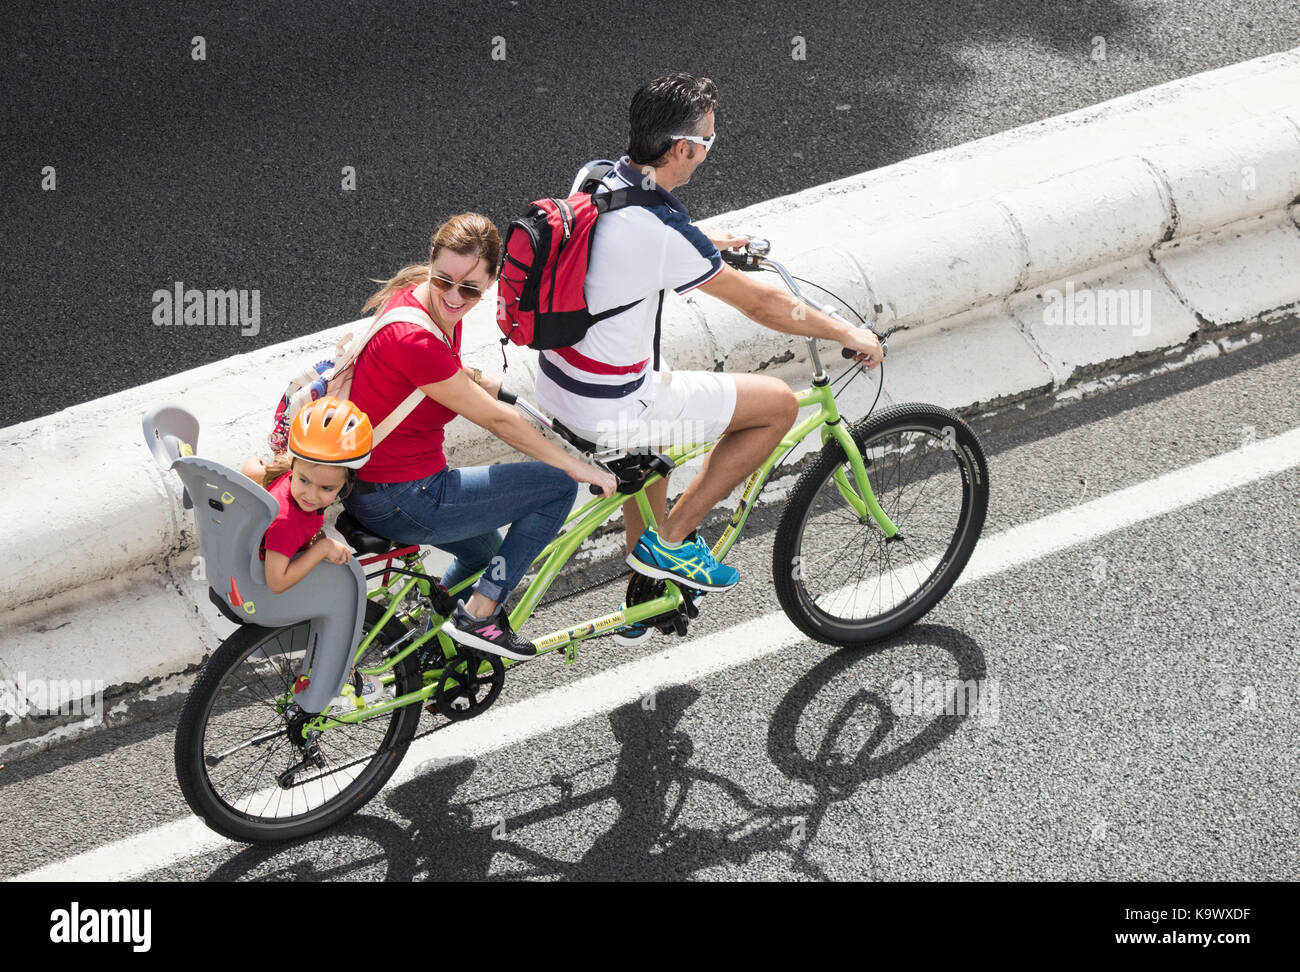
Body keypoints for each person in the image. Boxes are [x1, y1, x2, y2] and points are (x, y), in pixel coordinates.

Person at [534, 73, 883, 642]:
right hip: (609, 404)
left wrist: (701, 242)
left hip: (558, 383)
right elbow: (764, 305)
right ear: (682, 149)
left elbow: (633, 239)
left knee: (650, 450)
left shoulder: (596, 179)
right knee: (774, 405)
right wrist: (849, 330)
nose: (707, 153)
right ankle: (669, 544)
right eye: (708, 143)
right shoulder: (658, 232)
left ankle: (641, 588)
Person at [343, 212, 616, 661]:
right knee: (557, 487)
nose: (454, 296)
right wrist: (577, 465)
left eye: (470, 289)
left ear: (489, 284)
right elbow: (498, 422)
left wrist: (468, 374)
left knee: (484, 553)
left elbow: (426, 374)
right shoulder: (417, 338)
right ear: (431, 262)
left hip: (377, 488)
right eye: (444, 280)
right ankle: (480, 614)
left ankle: (429, 645)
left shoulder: (415, 299)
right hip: (406, 496)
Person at [241, 396, 370, 595]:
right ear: (294, 465)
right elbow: (276, 583)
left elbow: (250, 471)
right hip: (262, 593)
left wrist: (254, 462)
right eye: (304, 481)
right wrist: (323, 548)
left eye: (326, 488)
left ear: (345, 485)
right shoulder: (287, 523)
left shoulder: (286, 474)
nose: (310, 495)